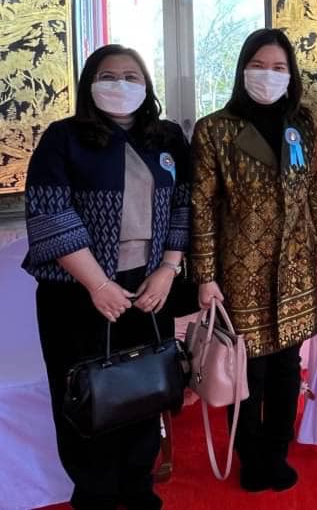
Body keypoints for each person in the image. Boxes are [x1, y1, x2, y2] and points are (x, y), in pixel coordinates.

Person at [24, 44, 190, 510]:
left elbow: (185, 206)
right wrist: (97, 284)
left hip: (149, 286)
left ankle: (137, 485)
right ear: (90, 84)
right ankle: (94, 493)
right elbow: (51, 214)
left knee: (145, 387)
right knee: (85, 394)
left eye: (131, 76)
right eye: (109, 76)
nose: (121, 84)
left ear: (146, 86)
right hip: (75, 291)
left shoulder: (167, 138)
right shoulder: (63, 137)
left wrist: (168, 270)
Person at [191, 28, 317, 492]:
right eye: (258, 66)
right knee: (246, 368)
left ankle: (277, 450)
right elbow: (201, 207)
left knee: (288, 365)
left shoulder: (301, 124)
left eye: (278, 68)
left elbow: (315, 190)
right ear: (242, 70)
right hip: (239, 272)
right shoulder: (215, 129)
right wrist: (205, 276)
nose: (268, 75)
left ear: (290, 75)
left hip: (295, 266)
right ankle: (250, 454)